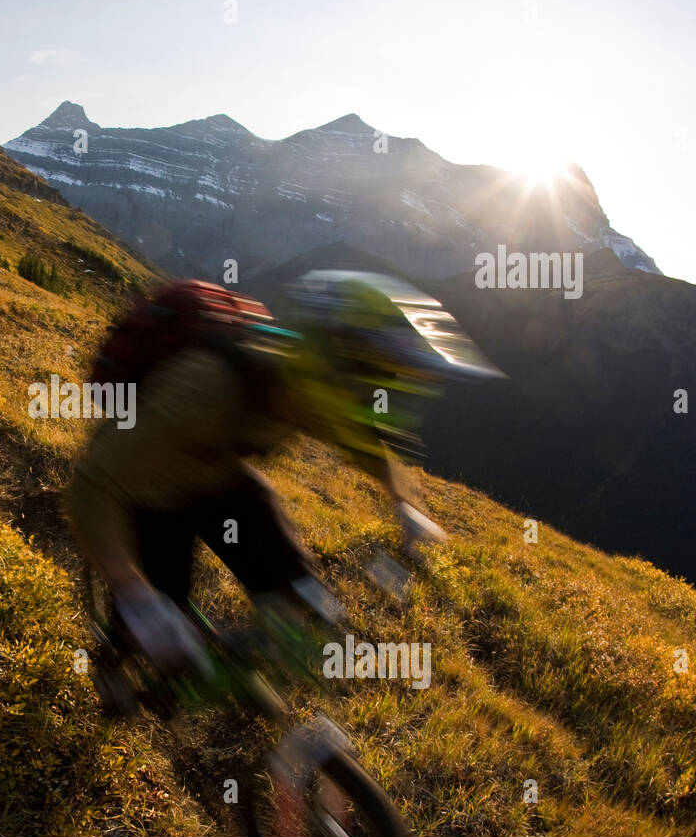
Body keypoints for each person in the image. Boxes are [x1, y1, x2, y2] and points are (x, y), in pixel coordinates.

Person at [67, 271, 502, 679]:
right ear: (334, 364)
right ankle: (116, 670)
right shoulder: (205, 388)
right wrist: (134, 593)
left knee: (300, 594)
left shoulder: (309, 387)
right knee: (158, 633)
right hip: (152, 496)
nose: (375, 397)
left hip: (224, 483)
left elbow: (363, 443)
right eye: (374, 378)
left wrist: (404, 506)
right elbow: (93, 481)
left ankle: (258, 682)